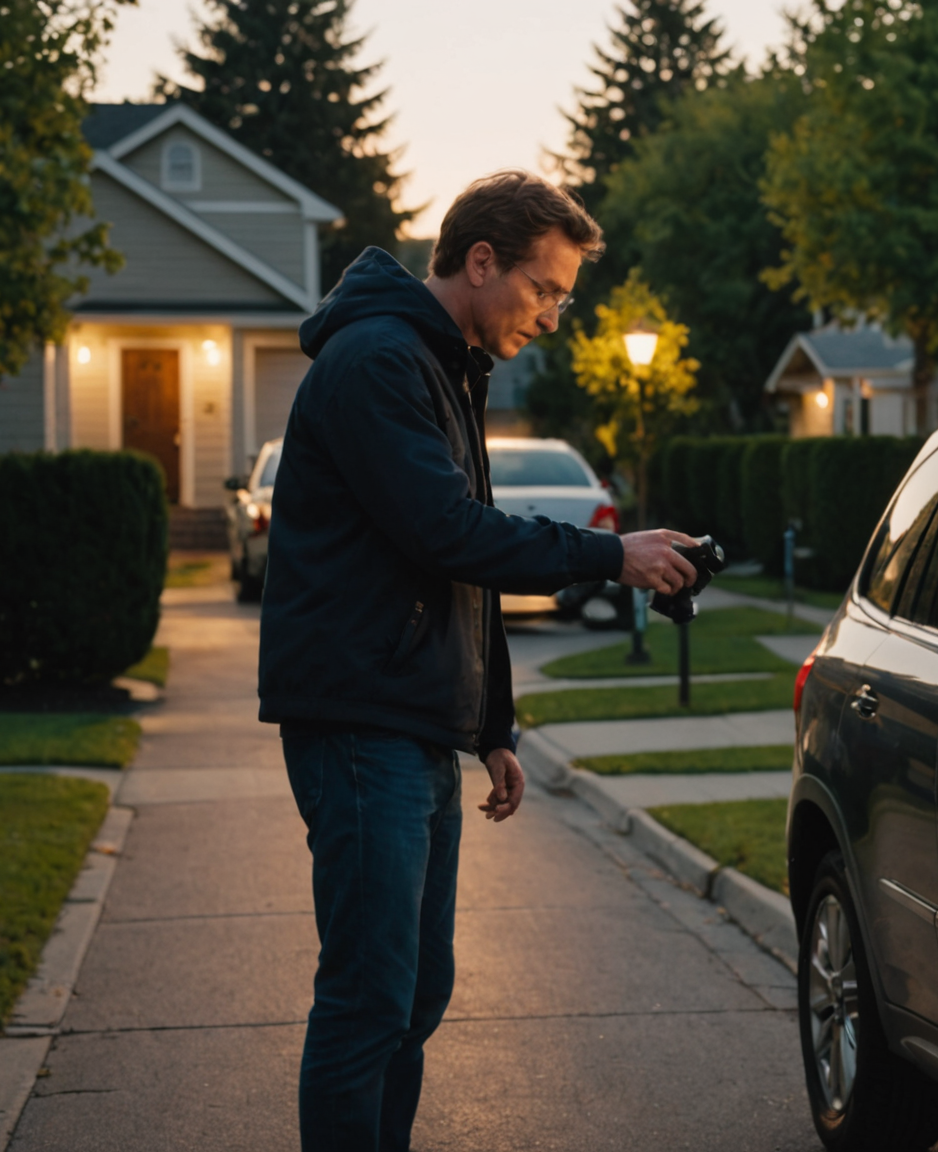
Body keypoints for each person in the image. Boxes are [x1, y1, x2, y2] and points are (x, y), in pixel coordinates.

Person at [257, 169, 696, 1151]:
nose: (552, 317)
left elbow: (455, 560)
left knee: (415, 993)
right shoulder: (379, 359)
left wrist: (492, 722)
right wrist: (610, 556)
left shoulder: (442, 364)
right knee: (370, 997)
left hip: (411, 721)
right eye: (545, 290)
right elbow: (448, 533)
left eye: (564, 299)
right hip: (361, 722)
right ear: (482, 260)